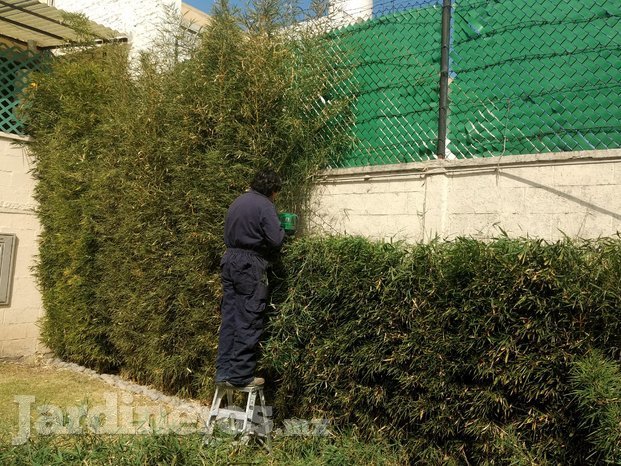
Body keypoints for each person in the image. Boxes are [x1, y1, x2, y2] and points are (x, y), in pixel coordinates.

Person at [215, 169, 286, 387]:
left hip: (229, 261)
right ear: (271, 190)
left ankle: (224, 372)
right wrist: (285, 229)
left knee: (230, 317)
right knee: (250, 317)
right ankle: (241, 375)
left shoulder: (238, 201)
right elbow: (276, 240)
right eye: (275, 193)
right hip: (249, 265)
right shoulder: (264, 205)